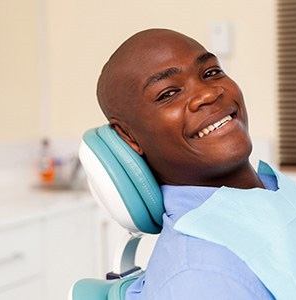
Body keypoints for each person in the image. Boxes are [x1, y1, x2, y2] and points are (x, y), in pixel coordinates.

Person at [96, 28, 275, 299]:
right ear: (129, 136)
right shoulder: (200, 277)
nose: (208, 94)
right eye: (168, 93)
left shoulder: (275, 191)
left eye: (211, 72)